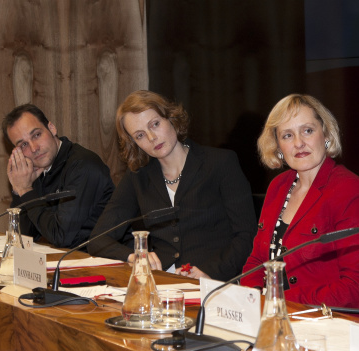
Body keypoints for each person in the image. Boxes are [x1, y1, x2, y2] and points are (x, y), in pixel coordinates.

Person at [88, 91, 255, 281]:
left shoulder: (220, 163)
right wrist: (135, 256)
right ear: (134, 143)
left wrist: (211, 271)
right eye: (140, 135)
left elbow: (247, 236)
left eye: (155, 124)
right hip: (163, 283)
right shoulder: (137, 177)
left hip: (215, 281)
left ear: (171, 118)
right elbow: (98, 240)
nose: (151, 137)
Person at [241, 94, 359, 308]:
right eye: (287, 135)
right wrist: (251, 300)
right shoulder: (278, 186)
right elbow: (258, 262)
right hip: (274, 315)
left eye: (307, 130)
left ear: (325, 133)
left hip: (328, 323)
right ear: (278, 146)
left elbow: (358, 288)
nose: (299, 143)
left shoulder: (351, 192)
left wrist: (278, 302)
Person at [2, 104, 114, 248]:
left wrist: (26, 191)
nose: (34, 148)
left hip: (105, 262)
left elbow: (61, 236)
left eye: (37, 135)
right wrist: (20, 190)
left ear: (52, 128)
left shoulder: (82, 166)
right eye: (23, 145)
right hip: (69, 260)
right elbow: (24, 237)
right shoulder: (37, 169)